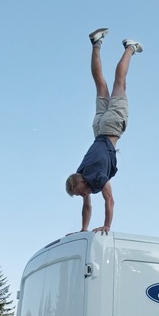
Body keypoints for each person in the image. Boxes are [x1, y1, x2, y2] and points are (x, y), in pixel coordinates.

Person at [65, 28, 143, 234]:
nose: (85, 195)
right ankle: (96, 44)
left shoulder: (96, 177)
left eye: (82, 191)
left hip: (110, 127)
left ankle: (130, 48)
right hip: (98, 128)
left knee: (120, 83)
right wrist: (83, 229)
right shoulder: (81, 171)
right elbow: (87, 205)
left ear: (81, 181)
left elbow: (110, 200)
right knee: (100, 84)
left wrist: (108, 225)